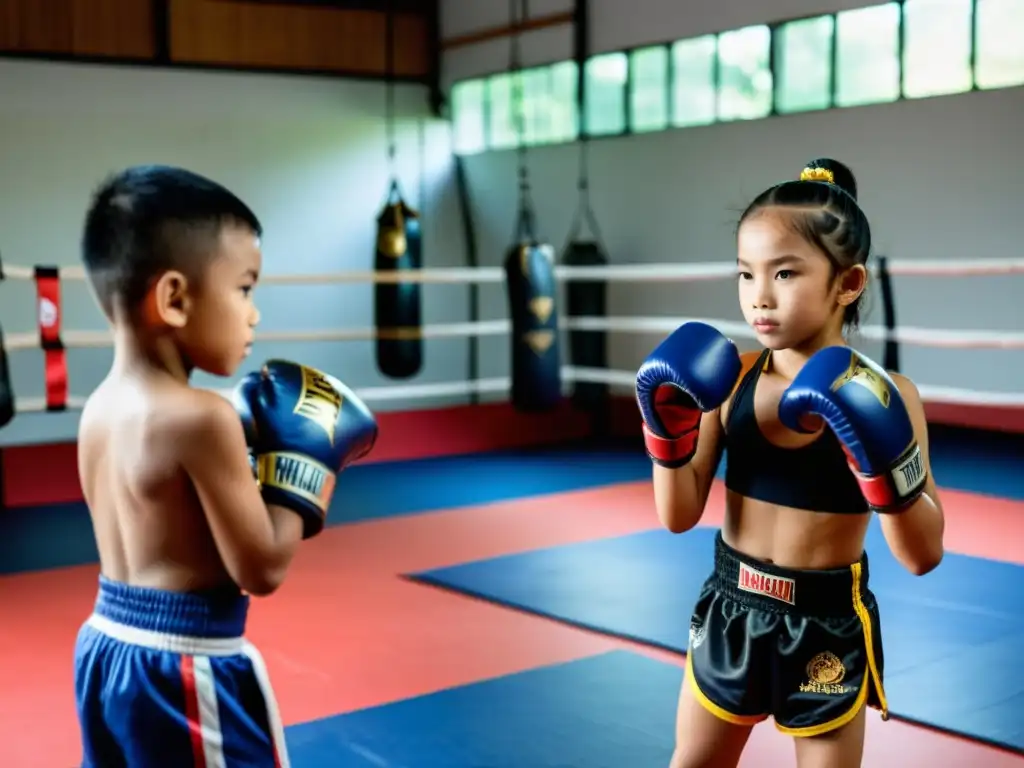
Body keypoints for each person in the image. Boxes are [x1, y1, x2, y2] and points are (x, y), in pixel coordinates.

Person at [635, 158, 945, 768]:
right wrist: (665, 433)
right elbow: (677, 515)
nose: (760, 297)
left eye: (784, 272)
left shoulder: (889, 396)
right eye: (746, 274)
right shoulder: (732, 380)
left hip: (826, 622)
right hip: (731, 607)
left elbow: (922, 554)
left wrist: (889, 467)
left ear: (847, 283)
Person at [73, 165, 378, 768]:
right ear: (175, 299)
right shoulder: (202, 418)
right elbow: (261, 566)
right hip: (185, 664)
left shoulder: (99, 409)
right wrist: (306, 461)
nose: (254, 313)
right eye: (244, 289)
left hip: (103, 648)